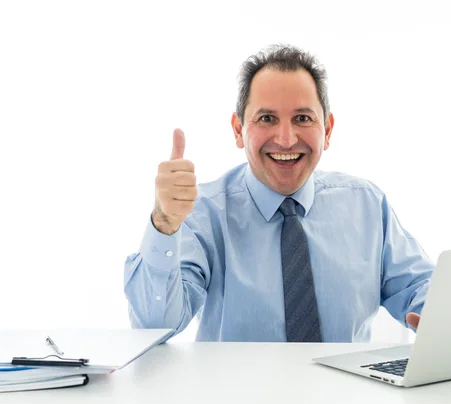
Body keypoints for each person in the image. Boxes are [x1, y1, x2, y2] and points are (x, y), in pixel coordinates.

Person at [124, 44, 433, 342]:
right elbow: (155, 326)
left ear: (327, 130)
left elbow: (421, 287)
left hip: (347, 393)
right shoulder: (202, 214)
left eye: (302, 118)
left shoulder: (366, 205)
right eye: (267, 119)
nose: (286, 140)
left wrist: (445, 319)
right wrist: (164, 223)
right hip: (234, 395)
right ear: (237, 130)